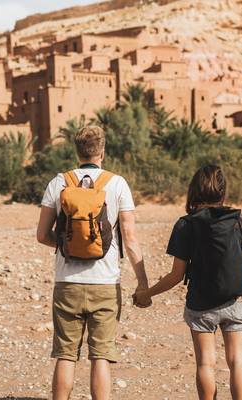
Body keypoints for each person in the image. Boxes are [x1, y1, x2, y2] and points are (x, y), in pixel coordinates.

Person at [36, 125, 150, 400]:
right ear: (102, 151)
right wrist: (143, 283)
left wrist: (65, 245)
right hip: (106, 284)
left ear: (77, 151)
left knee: (65, 355)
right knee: (101, 356)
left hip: (67, 284)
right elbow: (130, 239)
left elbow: (42, 235)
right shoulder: (117, 183)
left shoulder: (58, 182)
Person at [134, 165, 242, 400]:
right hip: (236, 298)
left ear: (194, 191)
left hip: (201, 304)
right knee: (238, 361)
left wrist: (147, 293)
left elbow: (176, 275)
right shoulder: (237, 219)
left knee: (205, 364)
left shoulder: (185, 224)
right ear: (222, 191)